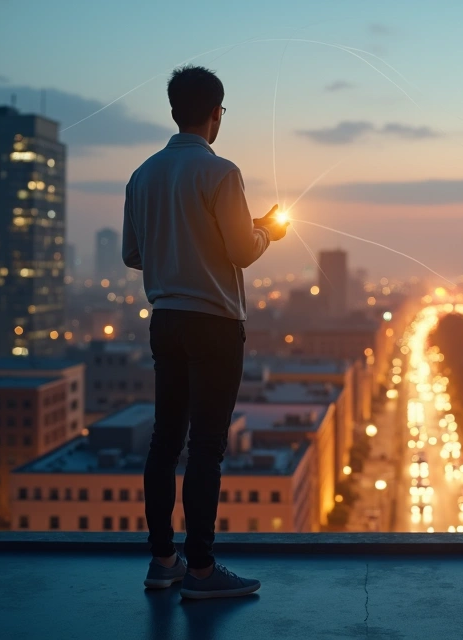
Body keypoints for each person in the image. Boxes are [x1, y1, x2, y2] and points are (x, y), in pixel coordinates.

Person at [123, 65, 288, 599]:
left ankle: (162, 560)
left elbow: (132, 255)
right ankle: (200, 570)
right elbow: (241, 251)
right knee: (207, 447)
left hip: (165, 321)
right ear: (217, 113)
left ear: (174, 111)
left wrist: (174, 249)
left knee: (164, 443)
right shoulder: (221, 173)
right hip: (214, 324)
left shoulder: (142, 175)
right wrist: (267, 230)